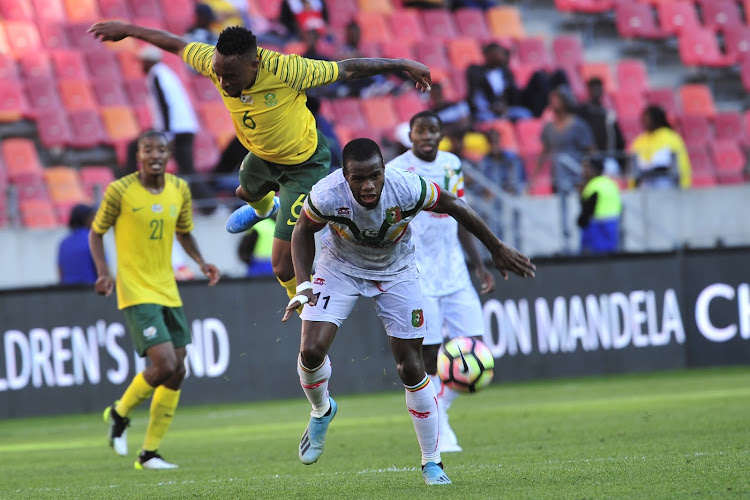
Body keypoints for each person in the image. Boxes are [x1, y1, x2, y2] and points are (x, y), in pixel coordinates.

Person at [88, 20, 432, 306]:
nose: (223, 83)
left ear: (254, 65)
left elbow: (347, 69)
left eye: (231, 77)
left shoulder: (288, 70)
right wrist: (128, 30)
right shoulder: (216, 62)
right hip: (263, 158)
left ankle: (305, 309)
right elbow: (177, 44)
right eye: (219, 74)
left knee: (282, 266)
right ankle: (265, 208)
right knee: (244, 189)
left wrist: (402, 64)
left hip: (303, 163)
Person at [280, 138, 535, 484]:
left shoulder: (407, 186)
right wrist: (304, 283)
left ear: (385, 170)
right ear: (345, 175)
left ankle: (432, 462)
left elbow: (454, 205)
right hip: (339, 266)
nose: (368, 186)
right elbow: (302, 230)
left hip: (396, 270)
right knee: (310, 350)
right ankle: (322, 409)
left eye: (374, 176)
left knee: (411, 366)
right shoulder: (327, 193)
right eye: (358, 178)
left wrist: (496, 247)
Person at [89, 130, 221, 470]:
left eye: (161, 149)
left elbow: (183, 230)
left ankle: (148, 453)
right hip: (135, 289)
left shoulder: (180, 189)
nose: (155, 155)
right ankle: (119, 413)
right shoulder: (120, 190)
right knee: (164, 365)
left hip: (167, 288)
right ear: (139, 156)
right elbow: (96, 231)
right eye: (148, 149)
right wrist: (103, 272)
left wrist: (201, 261)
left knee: (179, 371)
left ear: (170, 153)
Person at [386, 112, 496, 453]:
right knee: (431, 358)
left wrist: (478, 264)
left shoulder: (451, 164)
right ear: (411, 134)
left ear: (440, 134)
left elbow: (461, 215)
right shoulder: (397, 170)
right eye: (421, 130)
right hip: (419, 274)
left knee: (476, 351)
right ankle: (439, 427)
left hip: (455, 272)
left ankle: (440, 411)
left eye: (433, 130)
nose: (427, 136)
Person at [534, 86, 596, 252]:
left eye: (557, 99)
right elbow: (543, 153)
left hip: (576, 176)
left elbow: (590, 150)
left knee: (579, 212)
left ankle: (582, 245)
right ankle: (564, 243)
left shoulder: (578, 125)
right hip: (558, 176)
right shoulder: (548, 127)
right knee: (562, 212)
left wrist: (588, 172)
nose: (553, 103)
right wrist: (533, 180)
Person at [125, 46, 200, 180]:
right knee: (187, 170)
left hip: (176, 129)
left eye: (143, 62)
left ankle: (130, 184)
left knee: (133, 148)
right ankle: (208, 199)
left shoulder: (156, 74)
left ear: (149, 62)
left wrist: (167, 133)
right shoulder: (165, 73)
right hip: (181, 127)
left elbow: (164, 104)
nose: (141, 66)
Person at [629, 105, 691, 190]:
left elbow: (670, 164)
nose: (644, 122)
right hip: (645, 186)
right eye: (643, 119)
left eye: (647, 119)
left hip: (667, 184)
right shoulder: (640, 140)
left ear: (656, 119)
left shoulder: (670, 137)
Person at [576, 77, 626, 176]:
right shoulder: (582, 112)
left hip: (607, 157)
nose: (596, 92)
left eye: (599, 88)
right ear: (589, 90)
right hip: (588, 158)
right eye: (593, 89)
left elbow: (618, 139)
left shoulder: (608, 114)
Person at [577, 158, 622, 254]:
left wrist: (580, 222)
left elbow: (587, 210)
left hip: (597, 225)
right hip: (613, 223)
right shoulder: (610, 183)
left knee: (595, 257)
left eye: (587, 168)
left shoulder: (592, 186)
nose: (584, 172)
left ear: (593, 170)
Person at [58, 203, 98, 285]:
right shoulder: (94, 240)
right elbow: (104, 272)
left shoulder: (64, 243)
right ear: (86, 219)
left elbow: (61, 273)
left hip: (68, 293)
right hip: (92, 292)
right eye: (93, 217)